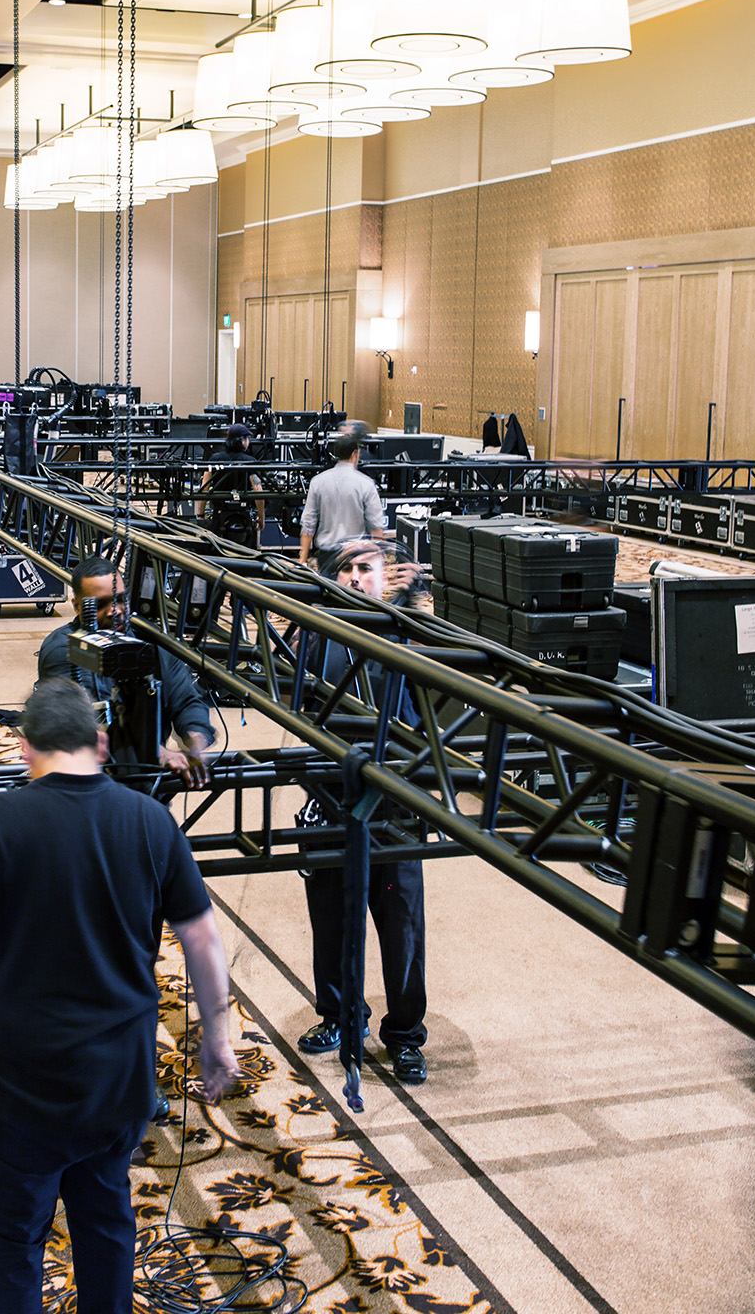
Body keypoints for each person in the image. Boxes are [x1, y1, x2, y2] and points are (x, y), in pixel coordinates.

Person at [0, 678, 240, 1314]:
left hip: (23, 1091)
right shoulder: (149, 819)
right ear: (100, 741)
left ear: (25, 748)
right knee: (106, 1219)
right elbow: (202, 938)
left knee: (12, 1239)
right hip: (117, 1084)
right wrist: (218, 1037)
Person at [297, 537, 429, 1085]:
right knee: (332, 923)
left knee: (401, 930)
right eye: (347, 569)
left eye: (367, 569)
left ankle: (404, 1036)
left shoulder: (409, 636)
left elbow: (438, 711)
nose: (356, 578)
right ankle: (339, 1017)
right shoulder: (314, 632)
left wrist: (418, 606)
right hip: (330, 796)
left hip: (395, 807)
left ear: (386, 577)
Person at [37, 554, 215, 790]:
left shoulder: (150, 644)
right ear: (78, 607)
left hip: (146, 785)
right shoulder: (62, 650)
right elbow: (88, 725)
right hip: (86, 786)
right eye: (100, 604)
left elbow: (187, 703)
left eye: (120, 600)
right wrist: (158, 752)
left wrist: (195, 746)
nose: (115, 611)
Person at [298, 421, 387, 571]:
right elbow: (376, 527)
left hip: (326, 556)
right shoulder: (366, 484)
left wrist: (303, 559)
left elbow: (308, 524)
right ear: (355, 454)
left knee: (327, 592)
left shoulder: (318, 482)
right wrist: (377, 563)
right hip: (355, 556)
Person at [196, 423, 265, 547]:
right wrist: (261, 517)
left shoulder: (214, 459)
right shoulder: (250, 461)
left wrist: (200, 515)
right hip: (244, 517)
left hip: (220, 515)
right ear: (242, 440)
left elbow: (204, 487)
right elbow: (258, 490)